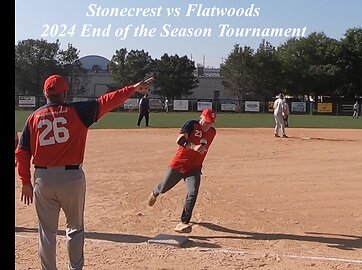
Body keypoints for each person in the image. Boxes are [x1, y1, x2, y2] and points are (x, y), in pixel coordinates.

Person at [15, 74, 154, 270]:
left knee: (46, 232)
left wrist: (25, 181)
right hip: (72, 178)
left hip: (42, 179)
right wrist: (133, 88)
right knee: (75, 229)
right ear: (65, 93)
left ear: (45, 93)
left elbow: (21, 153)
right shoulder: (78, 111)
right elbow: (108, 100)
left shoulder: (33, 118)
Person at [147, 108, 217, 233]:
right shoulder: (191, 125)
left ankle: (183, 222)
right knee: (164, 187)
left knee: (192, 193)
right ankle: (155, 192)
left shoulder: (212, 132)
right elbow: (179, 139)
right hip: (178, 165)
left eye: (210, 123)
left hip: (194, 168)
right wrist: (194, 147)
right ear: (201, 118)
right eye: (206, 121)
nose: (208, 125)